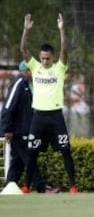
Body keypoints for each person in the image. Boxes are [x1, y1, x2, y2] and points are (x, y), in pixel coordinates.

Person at [20, 13, 78, 194]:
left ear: (52, 57)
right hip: (38, 117)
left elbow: (65, 51)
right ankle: (26, 186)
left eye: (48, 58)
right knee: (32, 153)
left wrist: (62, 30)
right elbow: (23, 49)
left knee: (65, 151)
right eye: (43, 58)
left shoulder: (59, 68)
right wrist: (26, 30)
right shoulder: (35, 67)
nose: (45, 61)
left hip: (55, 116)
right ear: (40, 57)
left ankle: (73, 186)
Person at [0, 61, 48, 193]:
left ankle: (10, 186)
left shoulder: (28, 85)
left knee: (18, 162)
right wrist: (7, 129)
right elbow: (7, 108)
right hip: (16, 131)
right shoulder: (19, 83)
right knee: (29, 157)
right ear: (26, 71)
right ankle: (41, 187)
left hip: (23, 131)